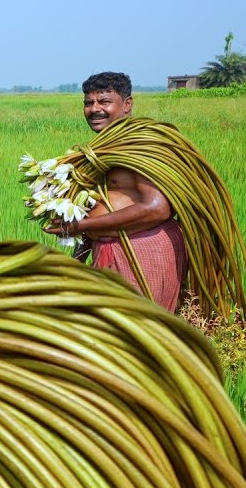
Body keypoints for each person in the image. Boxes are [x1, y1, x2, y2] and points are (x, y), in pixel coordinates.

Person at [43, 71, 187, 311]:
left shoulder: (139, 145)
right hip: (112, 251)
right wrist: (76, 262)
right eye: (88, 103)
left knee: (133, 337)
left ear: (127, 104)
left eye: (104, 101)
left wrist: (80, 227)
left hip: (139, 254)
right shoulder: (105, 148)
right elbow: (103, 203)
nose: (94, 109)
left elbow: (157, 209)